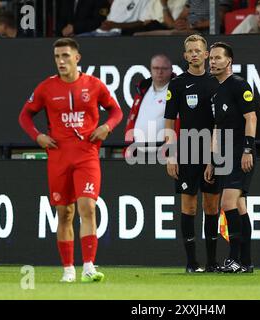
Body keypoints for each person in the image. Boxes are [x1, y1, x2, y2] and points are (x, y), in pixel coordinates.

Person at [18, 38, 123, 283]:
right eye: (57, 57)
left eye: (65, 55)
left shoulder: (94, 85)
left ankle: (88, 266)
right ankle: (68, 270)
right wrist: (38, 136)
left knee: (88, 208)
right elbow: (25, 116)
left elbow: (116, 111)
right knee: (64, 213)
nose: (61, 61)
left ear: (77, 58)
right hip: (58, 157)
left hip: (86, 155)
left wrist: (107, 126)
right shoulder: (46, 88)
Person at [164, 34, 221, 273]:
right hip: (186, 149)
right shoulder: (177, 84)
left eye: (199, 50)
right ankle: (191, 263)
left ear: (206, 54)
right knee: (188, 207)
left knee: (211, 207)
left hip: (215, 151)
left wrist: (214, 155)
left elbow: (221, 122)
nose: (194, 54)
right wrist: (170, 154)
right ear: (185, 55)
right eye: (190, 51)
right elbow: (169, 122)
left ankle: (211, 263)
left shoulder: (218, 82)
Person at [205, 41, 257, 273]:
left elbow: (251, 118)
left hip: (239, 152)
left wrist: (247, 149)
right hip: (225, 154)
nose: (213, 62)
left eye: (217, 58)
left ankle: (234, 260)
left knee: (226, 204)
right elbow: (217, 127)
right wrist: (211, 159)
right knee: (239, 206)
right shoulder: (216, 91)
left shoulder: (238, 85)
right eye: (211, 58)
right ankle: (246, 262)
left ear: (229, 61)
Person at [124, 54, 174, 160]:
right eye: (156, 68)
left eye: (164, 68)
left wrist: (172, 154)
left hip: (163, 156)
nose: (159, 72)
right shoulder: (142, 91)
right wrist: (127, 149)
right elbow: (131, 123)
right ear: (150, 70)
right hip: (138, 155)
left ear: (171, 70)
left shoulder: (177, 91)